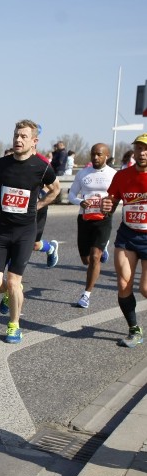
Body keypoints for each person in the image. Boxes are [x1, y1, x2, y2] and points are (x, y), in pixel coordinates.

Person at [0, 119, 60, 344]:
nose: (18, 140)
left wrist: (38, 206)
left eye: (24, 137)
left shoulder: (42, 168)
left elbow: (56, 190)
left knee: (12, 280)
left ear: (34, 141)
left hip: (24, 232)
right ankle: (12, 293)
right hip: (2, 231)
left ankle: (14, 325)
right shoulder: (1, 164)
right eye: (16, 135)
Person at [101, 133, 147, 348]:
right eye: (139, 148)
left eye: (146, 149)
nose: (142, 152)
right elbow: (112, 200)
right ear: (134, 152)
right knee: (123, 284)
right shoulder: (122, 176)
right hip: (128, 235)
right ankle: (134, 329)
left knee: (146, 289)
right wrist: (107, 206)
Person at [68, 143, 116, 308]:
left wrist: (111, 203)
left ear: (106, 156)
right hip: (85, 219)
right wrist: (81, 201)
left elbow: (121, 197)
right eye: (93, 154)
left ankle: (86, 295)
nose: (95, 157)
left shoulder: (113, 174)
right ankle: (102, 248)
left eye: (99, 154)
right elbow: (71, 194)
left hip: (103, 219)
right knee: (86, 259)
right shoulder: (83, 173)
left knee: (95, 256)